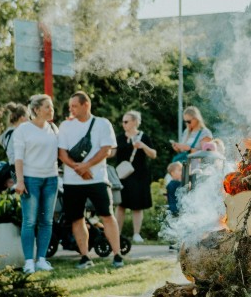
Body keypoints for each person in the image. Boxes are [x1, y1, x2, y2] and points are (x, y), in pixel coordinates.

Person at [57, 91, 123, 269]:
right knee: (77, 219)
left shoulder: (102, 124)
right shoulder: (65, 126)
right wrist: (78, 169)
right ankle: (85, 256)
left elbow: (106, 150)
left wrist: (86, 166)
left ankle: (117, 255)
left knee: (107, 215)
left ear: (86, 105)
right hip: (72, 181)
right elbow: (61, 153)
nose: (71, 109)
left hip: (98, 179)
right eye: (70, 106)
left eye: (74, 106)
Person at [12, 94, 59, 274]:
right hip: (30, 180)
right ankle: (29, 261)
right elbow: (18, 157)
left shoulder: (54, 128)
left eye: (52, 106)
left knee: (46, 221)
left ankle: (42, 259)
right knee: (30, 221)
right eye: (48, 107)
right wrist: (20, 181)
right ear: (37, 110)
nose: (51, 110)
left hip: (51, 179)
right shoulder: (23, 130)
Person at [115, 110, 157, 243]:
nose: (123, 124)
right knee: (120, 205)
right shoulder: (120, 138)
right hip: (122, 176)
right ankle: (117, 233)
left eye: (126, 121)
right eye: (122, 121)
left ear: (134, 122)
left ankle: (136, 234)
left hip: (139, 176)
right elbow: (112, 153)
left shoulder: (143, 137)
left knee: (137, 206)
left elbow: (153, 154)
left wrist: (142, 146)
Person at [171, 106, 213, 170]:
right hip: (184, 170)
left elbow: (205, 156)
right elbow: (183, 152)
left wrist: (189, 149)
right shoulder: (186, 132)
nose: (187, 124)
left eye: (188, 121)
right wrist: (178, 149)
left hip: (197, 170)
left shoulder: (205, 133)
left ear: (196, 118)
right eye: (185, 121)